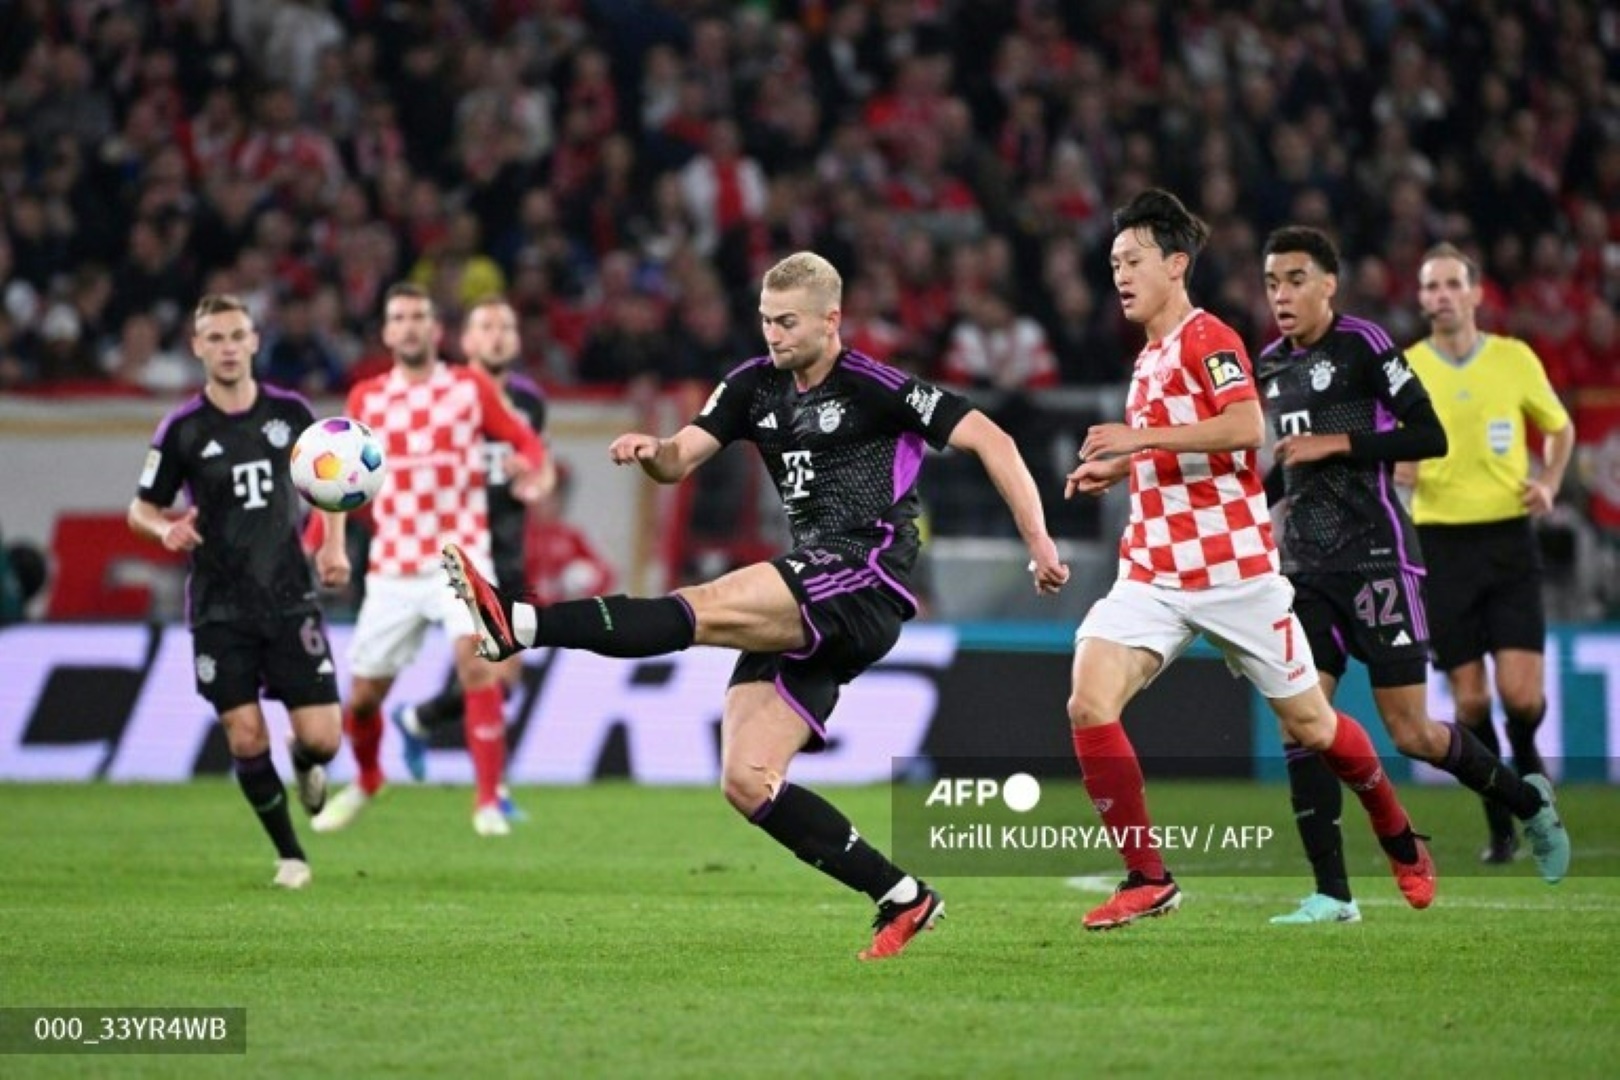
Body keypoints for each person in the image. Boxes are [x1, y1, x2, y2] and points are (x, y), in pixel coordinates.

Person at [441, 250, 1069, 960]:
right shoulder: (752, 387)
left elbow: (994, 437)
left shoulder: (875, 386)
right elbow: (679, 459)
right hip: (811, 591)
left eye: (787, 322)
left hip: (865, 574)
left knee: (701, 605)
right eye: (766, 320)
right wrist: (652, 450)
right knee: (746, 781)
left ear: (831, 320)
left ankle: (521, 622)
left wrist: (1040, 542)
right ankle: (901, 895)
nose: (772, 334)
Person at [1062, 190, 1435, 931]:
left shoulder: (1210, 338)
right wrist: (1121, 470)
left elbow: (1242, 427)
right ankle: (1148, 877)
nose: (1120, 276)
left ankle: (1396, 831)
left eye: (1133, 261)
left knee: (1315, 727)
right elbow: (1181, 454)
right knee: (1086, 702)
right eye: (1112, 265)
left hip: (1236, 575)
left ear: (1176, 264)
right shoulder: (1148, 360)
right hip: (1152, 572)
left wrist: (1137, 445)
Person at [1256, 227, 1570, 923]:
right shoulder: (1269, 365)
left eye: (1296, 279)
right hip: (1306, 570)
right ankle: (1332, 894)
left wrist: (1339, 442)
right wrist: (1257, 505)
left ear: (1329, 283)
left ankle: (1527, 802)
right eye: (1272, 282)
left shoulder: (1365, 346)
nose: (1281, 294)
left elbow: (1430, 436)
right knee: (1303, 724)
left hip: (1376, 562)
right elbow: (1289, 459)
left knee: (1414, 734)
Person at [127, 294, 347, 889]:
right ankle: (291, 854)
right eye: (214, 338)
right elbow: (140, 508)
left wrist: (333, 545)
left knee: (325, 738)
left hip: (289, 596)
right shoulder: (183, 429)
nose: (227, 348)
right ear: (198, 348)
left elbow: (333, 481)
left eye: (236, 336)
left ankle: (305, 763)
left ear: (254, 342)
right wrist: (165, 525)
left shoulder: (291, 413)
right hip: (220, 606)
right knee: (246, 733)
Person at [312, 283, 546, 837]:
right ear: (388, 332)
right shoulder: (366, 398)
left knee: (477, 663)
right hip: (392, 564)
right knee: (365, 697)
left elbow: (525, 439)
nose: (411, 326)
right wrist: (325, 543)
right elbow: (337, 480)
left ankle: (488, 800)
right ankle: (368, 779)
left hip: (460, 557)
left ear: (436, 331)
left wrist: (529, 466)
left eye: (420, 316)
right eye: (400, 318)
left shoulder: (469, 386)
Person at [1403, 243, 1579, 864]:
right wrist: (1398, 473)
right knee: (1472, 701)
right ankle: (1503, 827)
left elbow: (1560, 427)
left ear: (1477, 295)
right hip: (1443, 546)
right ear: (1422, 299)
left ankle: (1534, 798)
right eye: (1432, 287)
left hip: (1507, 538)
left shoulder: (1513, 359)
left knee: (1523, 698)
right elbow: (1390, 447)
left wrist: (1550, 482)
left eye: (1453, 284)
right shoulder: (1407, 367)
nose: (1442, 295)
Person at [388, 297, 550, 810]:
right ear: (466, 341)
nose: (498, 335)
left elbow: (533, 459)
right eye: (486, 326)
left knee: (506, 680)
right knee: (489, 670)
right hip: (457, 553)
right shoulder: (443, 395)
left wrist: (534, 478)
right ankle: (493, 794)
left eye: (507, 326)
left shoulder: (530, 402)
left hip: (508, 549)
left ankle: (419, 719)